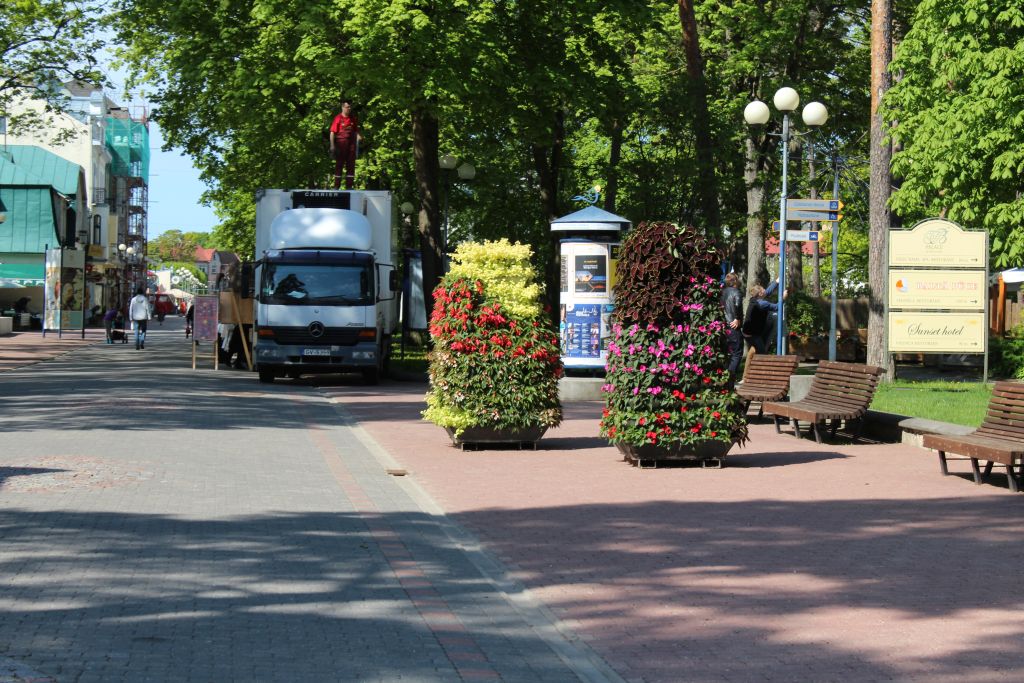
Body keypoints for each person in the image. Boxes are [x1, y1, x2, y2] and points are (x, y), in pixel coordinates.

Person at [742, 278, 786, 355]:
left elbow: (767, 292)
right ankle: (755, 366)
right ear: (760, 294)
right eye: (763, 290)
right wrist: (783, 298)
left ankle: (750, 366)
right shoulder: (762, 304)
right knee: (762, 354)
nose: (765, 290)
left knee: (754, 352)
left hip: (748, 332)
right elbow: (777, 307)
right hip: (752, 335)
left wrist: (776, 282)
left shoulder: (754, 299)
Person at [329, 99, 362, 189]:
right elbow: (332, 132)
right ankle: (336, 186)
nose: (349, 109)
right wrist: (332, 146)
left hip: (351, 145)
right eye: (347, 107)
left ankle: (349, 186)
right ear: (343, 107)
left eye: (350, 107)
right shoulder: (338, 118)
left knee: (351, 165)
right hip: (341, 144)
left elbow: (356, 130)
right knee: (339, 165)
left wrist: (358, 136)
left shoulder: (352, 118)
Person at [721, 272, 744, 383]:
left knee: (728, 354)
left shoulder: (722, 292)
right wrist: (737, 318)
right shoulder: (736, 292)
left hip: (724, 326)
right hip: (733, 327)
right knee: (737, 353)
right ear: (735, 281)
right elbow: (737, 305)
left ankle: (726, 378)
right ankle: (729, 380)